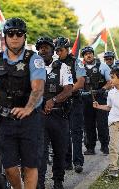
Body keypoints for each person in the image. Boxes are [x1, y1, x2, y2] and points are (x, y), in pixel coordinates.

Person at [0, 18, 46, 189]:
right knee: (10, 166)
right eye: (10, 34)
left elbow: (38, 88)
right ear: (5, 36)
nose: (15, 37)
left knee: (30, 165)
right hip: (4, 119)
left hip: (30, 120)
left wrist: (28, 107)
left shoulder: (34, 60)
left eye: (19, 34)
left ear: (24, 36)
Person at [36, 37, 73, 189]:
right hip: (39, 116)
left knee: (60, 150)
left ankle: (58, 181)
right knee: (40, 152)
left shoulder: (63, 67)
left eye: (46, 47)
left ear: (53, 50)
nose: (43, 50)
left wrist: (54, 101)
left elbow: (69, 89)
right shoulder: (33, 67)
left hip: (58, 115)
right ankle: (40, 183)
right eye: (40, 48)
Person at [55, 37, 85, 173]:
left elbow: (80, 82)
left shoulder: (76, 62)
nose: (58, 53)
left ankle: (78, 161)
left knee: (76, 132)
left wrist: (67, 92)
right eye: (56, 50)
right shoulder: (55, 64)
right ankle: (67, 162)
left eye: (60, 50)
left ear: (67, 49)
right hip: (61, 103)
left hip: (74, 101)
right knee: (64, 133)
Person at [81, 46, 111, 155]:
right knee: (88, 124)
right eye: (86, 54)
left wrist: (102, 89)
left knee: (102, 124)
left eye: (90, 53)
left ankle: (104, 146)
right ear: (83, 57)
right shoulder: (80, 67)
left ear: (93, 54)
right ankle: (90, 147)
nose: (88, 55)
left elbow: (110, 82)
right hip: (86, 98)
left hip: (100, 97)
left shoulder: (103, 66)